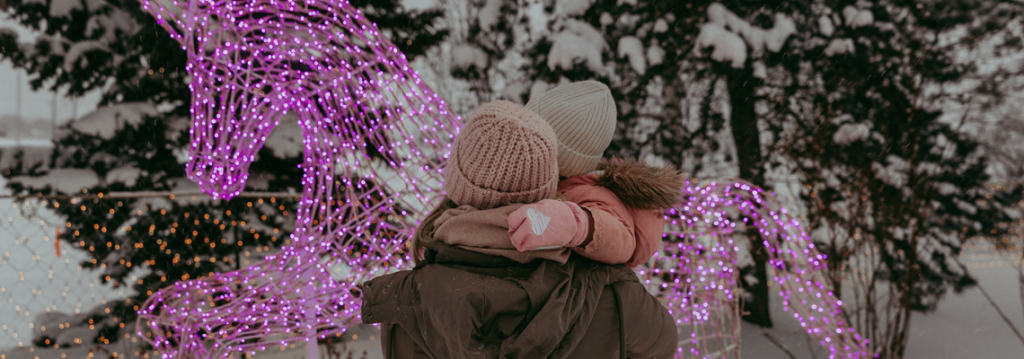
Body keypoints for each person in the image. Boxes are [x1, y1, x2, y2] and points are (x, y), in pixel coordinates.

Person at [361, 100, 678, 358]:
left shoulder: (404, 305)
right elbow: (663, 345)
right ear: (548, 187)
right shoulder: (610, 291)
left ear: (456, 181)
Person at [508, 80, 683, 268]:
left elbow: (621, 238)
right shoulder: (544, 177)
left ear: (558, 157)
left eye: (532, 140)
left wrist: (576, 224)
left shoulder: (589, 191)